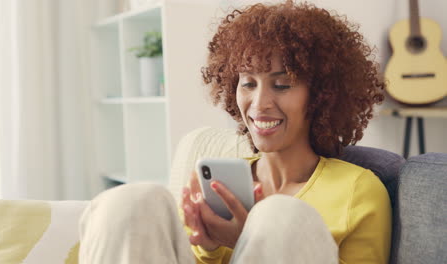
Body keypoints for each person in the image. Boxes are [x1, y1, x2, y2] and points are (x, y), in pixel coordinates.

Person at [78, 1, 391, 263]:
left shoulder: (357, 192)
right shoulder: (217, 184)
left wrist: (251, 239)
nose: (259, 103)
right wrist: (208, 246)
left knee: (280, 216)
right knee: (135, 200)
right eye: (248, 83)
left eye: (281, 85)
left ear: (323, 94)